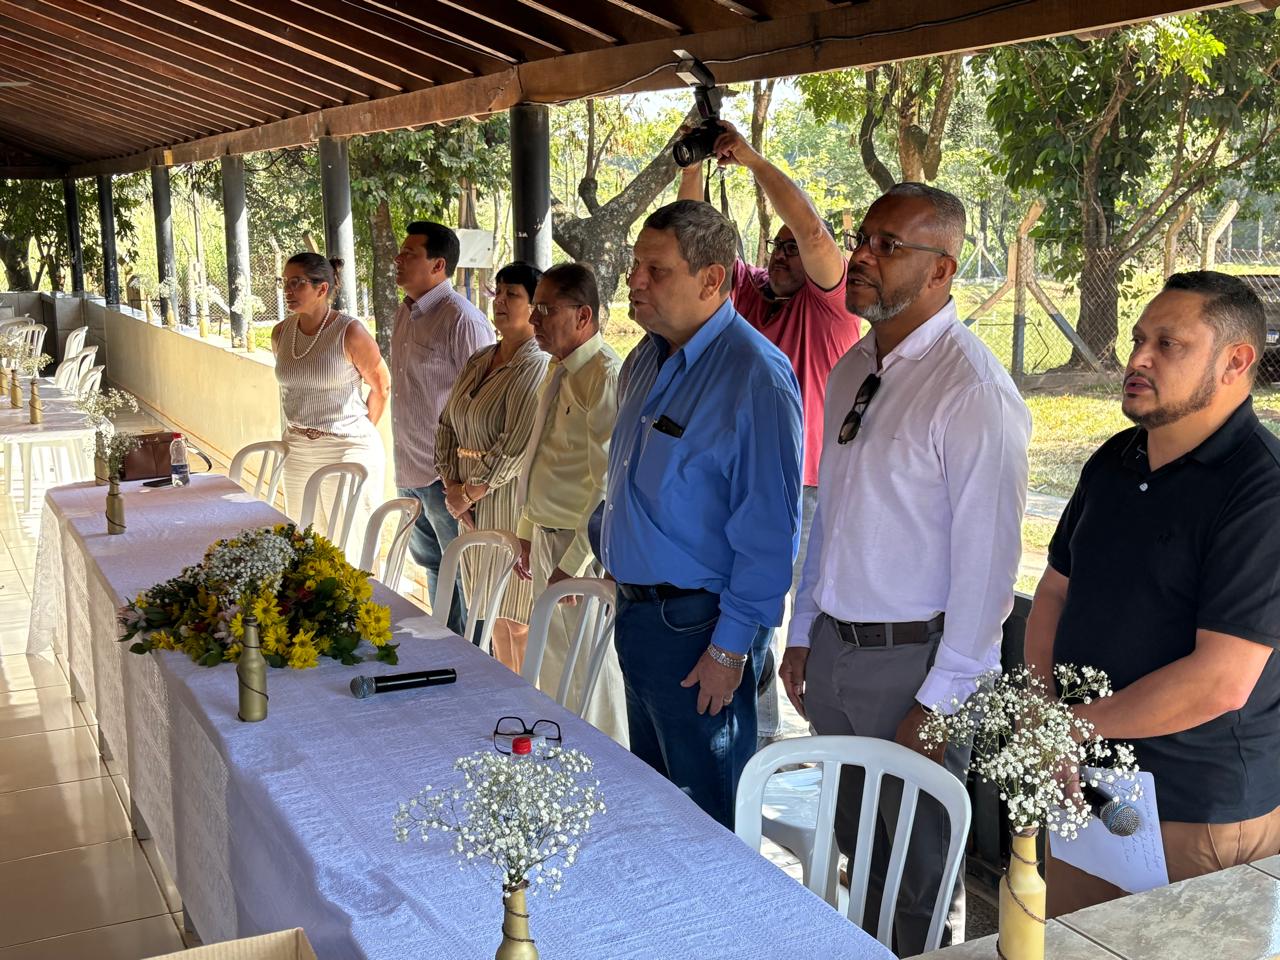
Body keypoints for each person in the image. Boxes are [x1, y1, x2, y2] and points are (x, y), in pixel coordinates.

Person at [779, 183, 1030, 955]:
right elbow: (833, 514)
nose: (860, 256)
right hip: (838, 655)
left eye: (888, 246)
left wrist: (941, 700)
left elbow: (988, 567)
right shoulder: (854, 366)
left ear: (941, 270)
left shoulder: (972, 389)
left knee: (918, 881)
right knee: (859, 854)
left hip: (916, 666)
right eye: (864, 238)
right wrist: (804, 631)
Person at [1026, 272, 1280, 916]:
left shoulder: (1261, 489)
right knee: (1068, 947)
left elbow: (1220, 681)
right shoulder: (1115, 459)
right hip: (1084, 783)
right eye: (1139, 338)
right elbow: (1053, 593)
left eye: (1169, 344)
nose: (1137, 358)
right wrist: (1049, 717)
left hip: (1194, 811)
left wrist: (1068, 730)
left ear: (1235, 362)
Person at [601, 199, 803, 829]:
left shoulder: (754, 376)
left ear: (712, 280)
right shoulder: (647, 357)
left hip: (699, 630)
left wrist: (729, 651)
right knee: (655, 810)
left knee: (707, 819)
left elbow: (769, 534)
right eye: (635, 265)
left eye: (656, 270)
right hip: (639, 615)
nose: (635, 281)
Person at [678, 120, 862, 747]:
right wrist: (693, 163)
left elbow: (811, 230)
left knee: (770, 611)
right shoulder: (751, 292)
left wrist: (751, 159)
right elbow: (693, 235)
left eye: (792, 250)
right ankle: (748, 731)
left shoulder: (831, 306)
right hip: (732, 478)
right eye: (775, 248)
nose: (784, 255)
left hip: (804, 486)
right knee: (737, 607)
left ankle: (757, 738)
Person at [513, 262, 627, 745]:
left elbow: (607, 487)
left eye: (546, 309)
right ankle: (564, 759)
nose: (533, 320)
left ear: (584, 315)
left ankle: (608, 766)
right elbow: (543, 453)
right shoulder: (559, 369)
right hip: (547, 537)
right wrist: (526, 529)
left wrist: (575, 562)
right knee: (555, 667)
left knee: (590, 676)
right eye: (534, 308)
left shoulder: (603, 376)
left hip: (578, 549)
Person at [436, 262, 549, 668]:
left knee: (518, 617)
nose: (500, 301)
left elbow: (517, 444)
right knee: (490, 612)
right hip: (467, 502)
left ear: (535, 305)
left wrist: (469, 493)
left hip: (507, 502)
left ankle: (527, 699)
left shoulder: (537, 363)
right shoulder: (481, 358)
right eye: (498, 292)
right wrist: (452, 485)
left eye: (512, 294)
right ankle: (505, 692)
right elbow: (447, 423)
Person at [391, 221, 493, 636]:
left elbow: (483, 405)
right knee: (434, 567)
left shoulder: (462, 320)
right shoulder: (405, 311)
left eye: (409, 254)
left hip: (446, 479)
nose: (398, 260)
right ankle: (445, 651)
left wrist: (464, 484)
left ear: (438, 265)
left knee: (466, 576)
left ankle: (473, 663)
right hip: (410, 468)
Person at [272, 253, 389, 564]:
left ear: (322, 288)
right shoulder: (281, 332)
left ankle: (362, 597)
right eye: (285, 282)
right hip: (297, 447)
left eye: (297, 283)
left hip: (346, 447)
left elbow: (382, 387)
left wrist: (353, 433)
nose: (288, 290)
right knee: (303, 542)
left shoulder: (350, 331)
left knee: (349, 545)